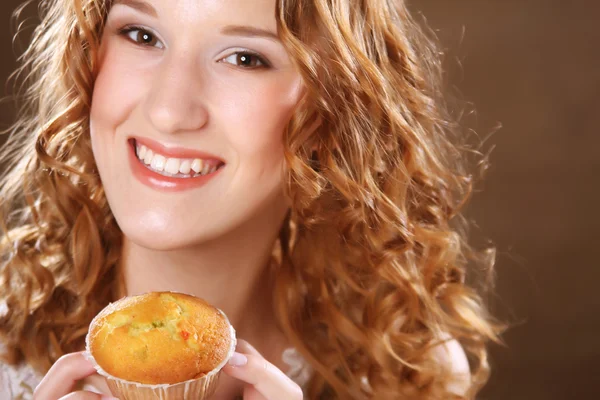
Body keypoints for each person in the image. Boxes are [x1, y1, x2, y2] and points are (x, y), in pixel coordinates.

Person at [0, 0, 503, 398]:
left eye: (245, 58)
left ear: (337, 107)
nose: (170, 111)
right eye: (142, 34)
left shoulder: (411, 375)